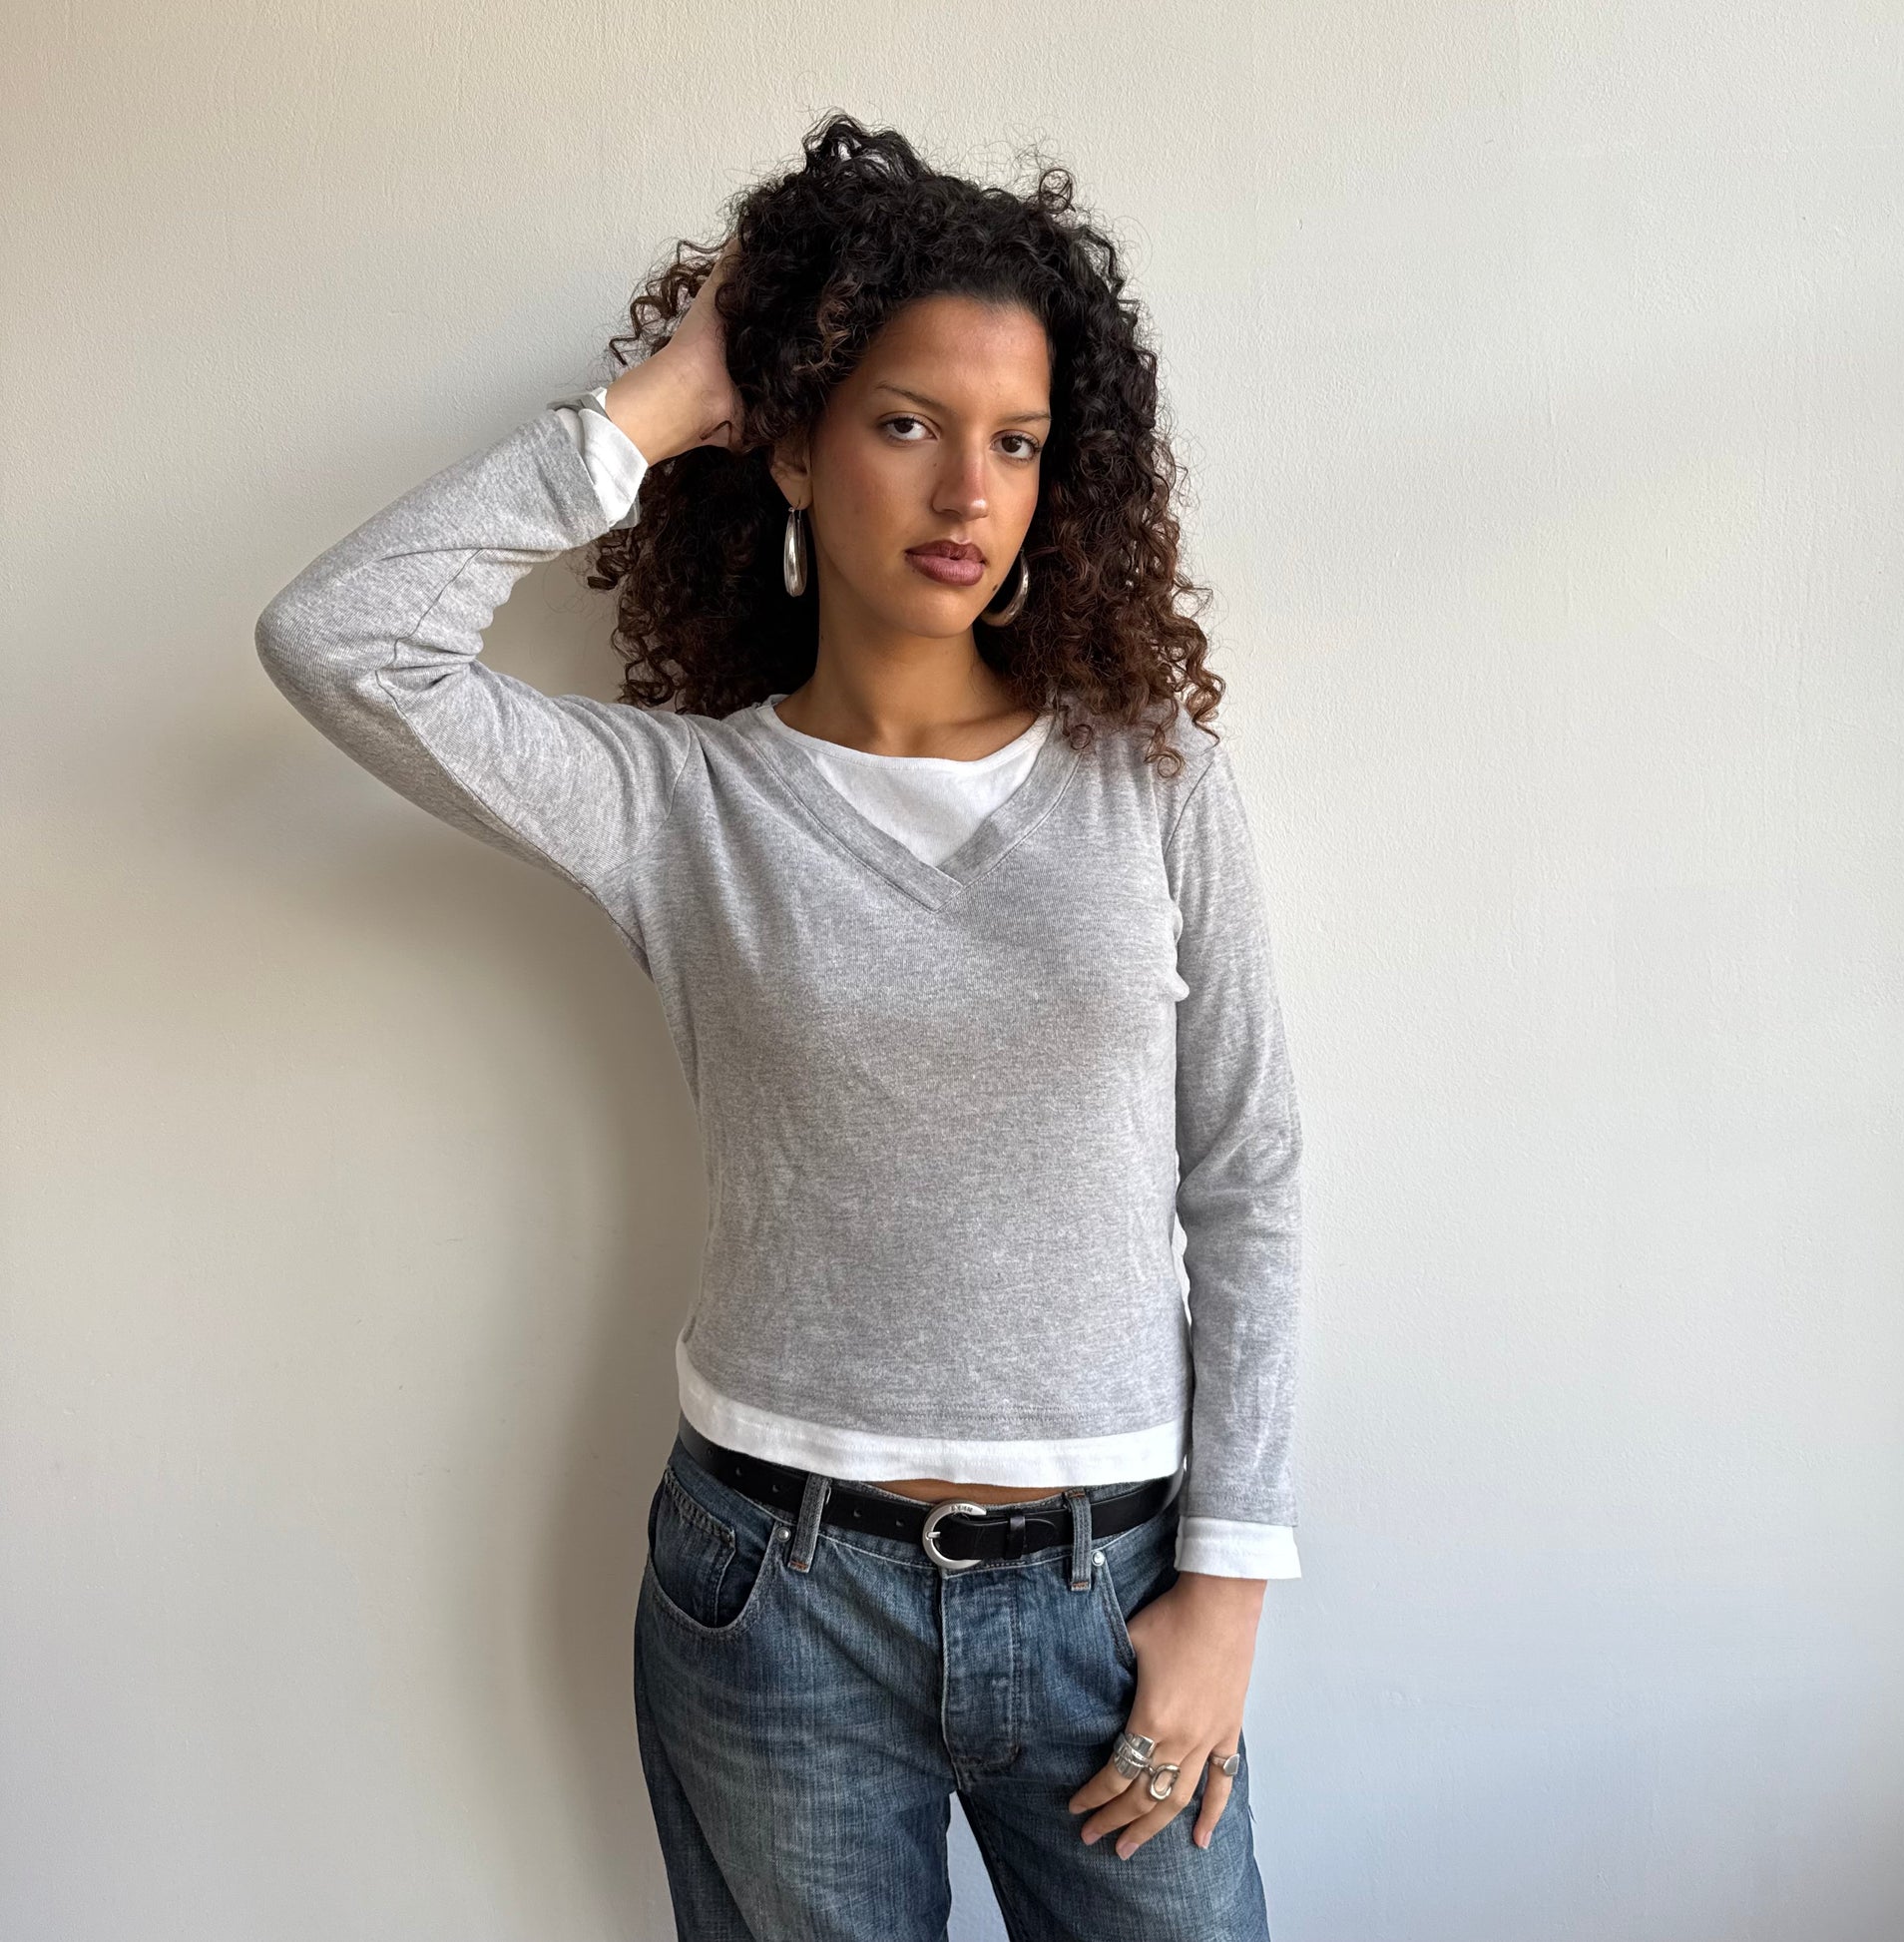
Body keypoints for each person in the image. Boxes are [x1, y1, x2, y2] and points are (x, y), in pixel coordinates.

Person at [255, 110, 1302, 1942]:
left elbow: (1247, 1173)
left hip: (1113, 1590)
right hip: (776, 1593)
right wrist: (662, 404)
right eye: (904, 425)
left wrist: (1225, 1583)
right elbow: (342, 641)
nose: (967, 493)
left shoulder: (1150, 777)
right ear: (795, 446)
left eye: (1016, 441)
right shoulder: (681, 802)